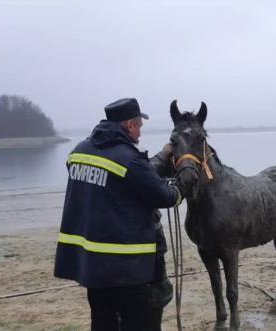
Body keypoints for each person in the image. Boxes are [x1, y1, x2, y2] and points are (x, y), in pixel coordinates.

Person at [54, 97, 181, 331]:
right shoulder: (129, 158)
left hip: (93, 266)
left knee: (103, 323)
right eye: (139, 126)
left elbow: (115, 186)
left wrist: (162, 157)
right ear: (131, 125)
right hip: (128, 270)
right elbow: (164, 196)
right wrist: (181, 185)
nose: (141, 132)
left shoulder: (78, 152)